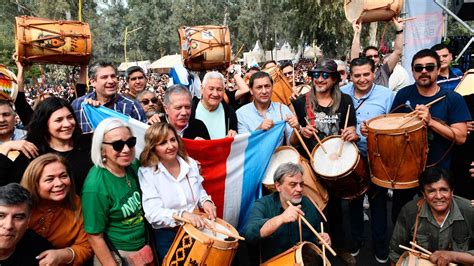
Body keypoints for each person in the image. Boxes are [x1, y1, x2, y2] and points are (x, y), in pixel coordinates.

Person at [390, 49, 471, 223]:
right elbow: (391, 128)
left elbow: (461, 137)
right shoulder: (403, 95)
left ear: (438, 69)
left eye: (429, 67)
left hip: (439, 170)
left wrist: (430, 121)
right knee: (400, 216)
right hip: (406, 170)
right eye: (418, 68)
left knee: (438, 218)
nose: (424, 71)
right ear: (412, 71)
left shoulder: (452, 98)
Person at [292, 59, 357, 264]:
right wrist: (302, 131)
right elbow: (293, 137)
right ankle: (311, 253)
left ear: (335, 79)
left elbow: (352, 129)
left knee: (336, 208)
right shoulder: (301, 102)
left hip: (335, 162)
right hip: (311, 163)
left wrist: (351, 133)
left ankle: (337, 248)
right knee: (314, 207)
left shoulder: (345, 100)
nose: (319, 79)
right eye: (315, 75)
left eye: (324, 75)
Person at [341, 57, 395, 263]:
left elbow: (394, 126)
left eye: (366, 74)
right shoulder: (342, 93)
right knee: (354, 202)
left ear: (374, 74)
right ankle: (356, 242)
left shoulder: (387, 95)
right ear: (350, 76)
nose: (362, 79)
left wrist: (370, 133)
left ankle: (380, 247)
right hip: (350, 159)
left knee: (378, 204)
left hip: (377, 158)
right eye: (357, 75)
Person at [138, 122, 216, 261]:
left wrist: (206, 201)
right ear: (153, 147)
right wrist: (183, 215)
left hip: (197, 231)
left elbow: (199, 191)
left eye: (173, 140)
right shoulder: (147, 172)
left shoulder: (190, 163)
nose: (171, 146)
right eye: (163, 143)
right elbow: (153, 213)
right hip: (168, 236)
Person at [81, 118, 148, 265]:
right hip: (117, 255)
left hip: (142, 249)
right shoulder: (96, 186)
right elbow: (94, 235)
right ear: (101, 148)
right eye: (117, 145)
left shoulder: (133, 166)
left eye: (130, 143)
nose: (126, 150)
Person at [243, 162, 331, 263]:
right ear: (278, 186)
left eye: (301, 184)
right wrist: (281, 218)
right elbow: (250, 235)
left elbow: (316, 234)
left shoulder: (308, 204)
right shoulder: (263, 204)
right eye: (293, 185)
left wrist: (321, 238)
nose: (299, 189)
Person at [0, 97, 93, 190]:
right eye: (58, 120)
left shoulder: (88, 144)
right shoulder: (32, 153)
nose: (67, 124)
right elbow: (7, 186)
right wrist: (4, 148)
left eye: (70, 117)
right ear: (44, 124)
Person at [389, 167, 474, 265]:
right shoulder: (410, 211)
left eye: (443, 190)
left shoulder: (469, 211)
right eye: (431, 191)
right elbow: (395, 253)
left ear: (452, 192)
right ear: (423, 194)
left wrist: (451, 256)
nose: (438, 196)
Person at [20, 153, 92, 265]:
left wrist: (63, 255)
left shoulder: (77, 203)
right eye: (49, 179)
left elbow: (86, 246)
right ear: (34, 183)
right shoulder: (19, 206)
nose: (59, 183)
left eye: (63, 176)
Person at [71, 61, 146, 134]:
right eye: (104, 77)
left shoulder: (132, 106)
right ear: (93, 82)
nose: (111, 81)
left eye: (113, 76)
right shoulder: (79, 106)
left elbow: (143, 137)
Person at [236, 71, 300, 146]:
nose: (264, 91)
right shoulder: (241, 114)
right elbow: (244, 146)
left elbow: (292, 143)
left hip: (279, 155)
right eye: (259, 87)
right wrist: (259, 130)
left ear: (272, 87)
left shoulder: (282, 109)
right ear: (251, 90)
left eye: (267, 86)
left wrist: (297, 129)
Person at [0, 183, 53, 265]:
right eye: (1, 216)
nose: (8, 226)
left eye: (18, 217)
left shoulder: (40, 249)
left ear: (28, 220)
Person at [351, 18, 405, 87]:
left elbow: (397, 52)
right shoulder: (359, 70)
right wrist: (357, 33)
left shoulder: (384, 71)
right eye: (369, 57)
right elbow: (354, 59)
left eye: (375, 56)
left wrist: (399, 30)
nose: (373, 58)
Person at [191, 71, 238, 139]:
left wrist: (234, 133)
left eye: (219, 89)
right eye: (211, 89)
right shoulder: (190, 110)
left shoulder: (229, 112)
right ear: (201, 89)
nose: (215, 94)